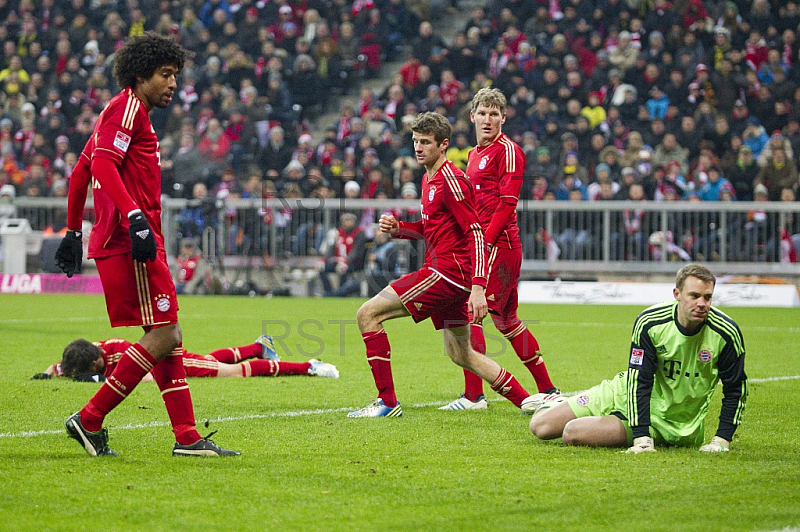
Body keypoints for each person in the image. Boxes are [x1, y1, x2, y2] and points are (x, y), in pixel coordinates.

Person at [53, 33, 237, 457]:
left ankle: (187, 436)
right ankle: (90, 417)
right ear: (140, 76)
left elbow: (81, 172)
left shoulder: (120, 112)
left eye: (175, 75)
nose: (173, 84)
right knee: (167, 332)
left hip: (129, 236)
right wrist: (134, 217)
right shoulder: (128, 108)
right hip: (129, 238)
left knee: (166, 333)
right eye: (165, 75)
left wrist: (73, 231)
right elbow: (101, 165)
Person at [347, 112, 532, 418]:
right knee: (462, 354)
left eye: (425, 142)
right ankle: (527, 402)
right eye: (415, 141)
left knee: (367, 314)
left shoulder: (451, 179)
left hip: (447, 274)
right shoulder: (428, 178)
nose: (418, 148)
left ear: (443, 145)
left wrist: (477, 287)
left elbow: (475, 233)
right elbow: (432, 229)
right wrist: (400, 228)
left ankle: (387, 403)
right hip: (449, 275)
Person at [528, 264, 748, 453]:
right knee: (540, 426)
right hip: (624, 390)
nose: (702, 303)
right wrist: (642, 439)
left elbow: (735, 388)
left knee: (572, 432)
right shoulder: (651, 322)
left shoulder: (726, 333)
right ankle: (558, 403)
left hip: (666, 421)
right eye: (694, 296)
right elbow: (639, 380)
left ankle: (617, 421)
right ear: (677, 294)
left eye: (707, 297)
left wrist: (722, 440)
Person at [440, 88, 559, 411]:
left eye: (495, 114)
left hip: (498, 245)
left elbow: (508, 205)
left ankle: (474, 395)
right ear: (472, 116)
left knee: (470, 312)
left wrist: (484, 243)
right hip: (489, 245)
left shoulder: (509, 151)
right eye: (483, 113)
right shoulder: (476, 154)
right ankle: (548, 389)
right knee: (507, 321)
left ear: (503, 118)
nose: (488, 119)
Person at [35, 335, 339, 381]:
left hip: (169, 362)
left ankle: (308, 366)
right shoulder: (89, 352)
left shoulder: (124, 353)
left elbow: (137, 378)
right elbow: (63, 367)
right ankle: (259, 346)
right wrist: (50, 373)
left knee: (233, 372)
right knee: (211, 359)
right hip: (170, 357)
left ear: (96, 363)